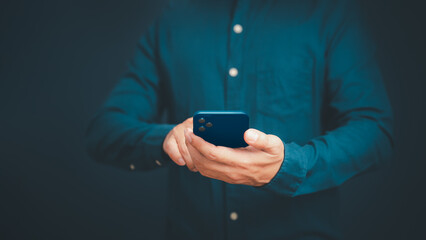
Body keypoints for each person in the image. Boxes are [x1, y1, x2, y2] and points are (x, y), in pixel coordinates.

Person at [85, 0, 393, 239]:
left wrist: (292, 165)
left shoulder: (328, 12)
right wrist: (165, 140)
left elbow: (374, 129)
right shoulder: (174, 18)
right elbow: (104, 130)